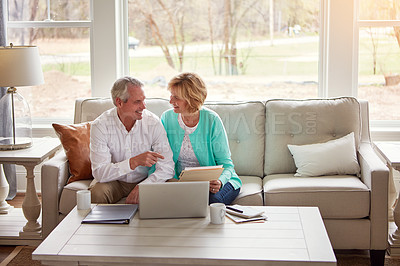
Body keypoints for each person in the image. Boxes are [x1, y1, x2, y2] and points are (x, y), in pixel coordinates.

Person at [89, 76, 175, 204]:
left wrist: (144, 186)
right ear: (119, 102)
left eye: (144, 100)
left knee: (174, 187)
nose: (143, 107)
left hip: (145, 179)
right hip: (114, 182)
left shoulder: (152, 122)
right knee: (98, 192)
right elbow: (99, 173)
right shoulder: (100, 125)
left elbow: (167, 166)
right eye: (137, 102)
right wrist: (133, 162)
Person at [161, 72, 241, 205]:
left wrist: (219, 181)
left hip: (217, 182)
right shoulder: (166, 118)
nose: (170, 101)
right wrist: (173, 182)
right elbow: (161, 158)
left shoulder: (212, 120)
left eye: (176, 97)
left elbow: (227, 165)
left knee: (211, 200)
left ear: (191, 98)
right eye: (171, 95)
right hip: (181, 183)